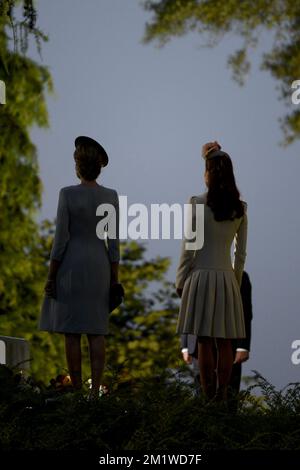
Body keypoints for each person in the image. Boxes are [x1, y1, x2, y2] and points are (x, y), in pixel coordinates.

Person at [39, 136, 120, 400]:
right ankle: (95, 392)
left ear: (78, 166)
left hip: (71, 268)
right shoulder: (110, 196)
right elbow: (113, 243)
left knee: (72, 333)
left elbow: (60, 239)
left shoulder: (68, 194)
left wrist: (51, 276)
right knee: (97, 332)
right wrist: (113, 280)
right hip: (99, 267)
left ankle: (75, 391)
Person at [176, 141, 248, 402]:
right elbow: (240, 256)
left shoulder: (196, 203)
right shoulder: (240, 208)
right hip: (227, 278)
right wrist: (235, 284)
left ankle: (207, 398)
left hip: (200, 278)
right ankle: (221, 396)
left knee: (204, 340)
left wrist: (181, 279)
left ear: (208, 173)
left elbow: (189, 247)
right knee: (226, 341)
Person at [181, 271, 253, 402]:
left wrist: (243, 346)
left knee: (230, 386)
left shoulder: (239, 275)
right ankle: (205, 419)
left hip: (230, 341)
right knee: (201, 386)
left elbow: (245, 312)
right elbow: (187, 310)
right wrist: (185, 345)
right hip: (197, 341)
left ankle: (228, 419)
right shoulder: (193, 274)